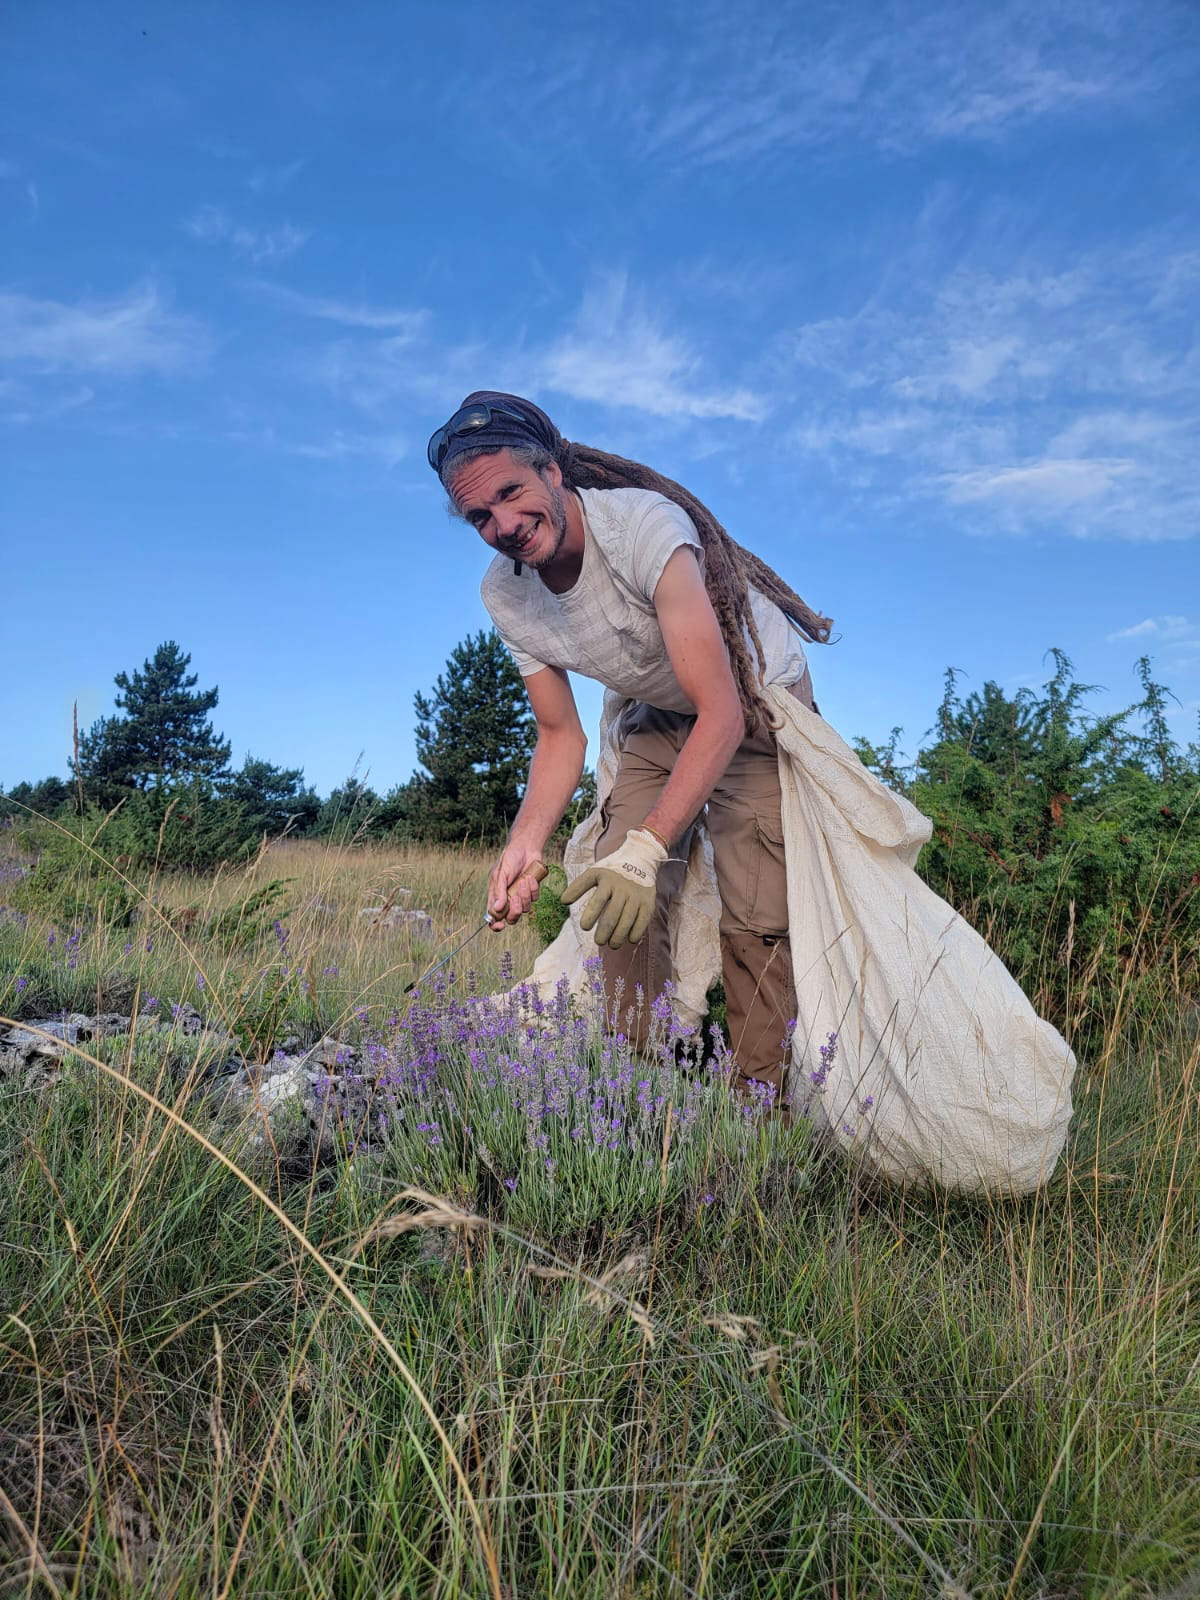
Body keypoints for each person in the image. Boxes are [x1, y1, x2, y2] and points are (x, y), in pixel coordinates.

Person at [427, 390, 832, 1106]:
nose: (504, 526)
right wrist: (527, 845)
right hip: (659, 706)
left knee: (756, 906)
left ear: (553, 472)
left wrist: (654, 849)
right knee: (612, 885)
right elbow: (560, 735)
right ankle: (633, 1086)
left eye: (512, 494)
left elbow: (723, 711)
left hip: (754, 698)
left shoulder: (644, 527)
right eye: (479, 517)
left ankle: (756, 1107)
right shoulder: (505, 595)